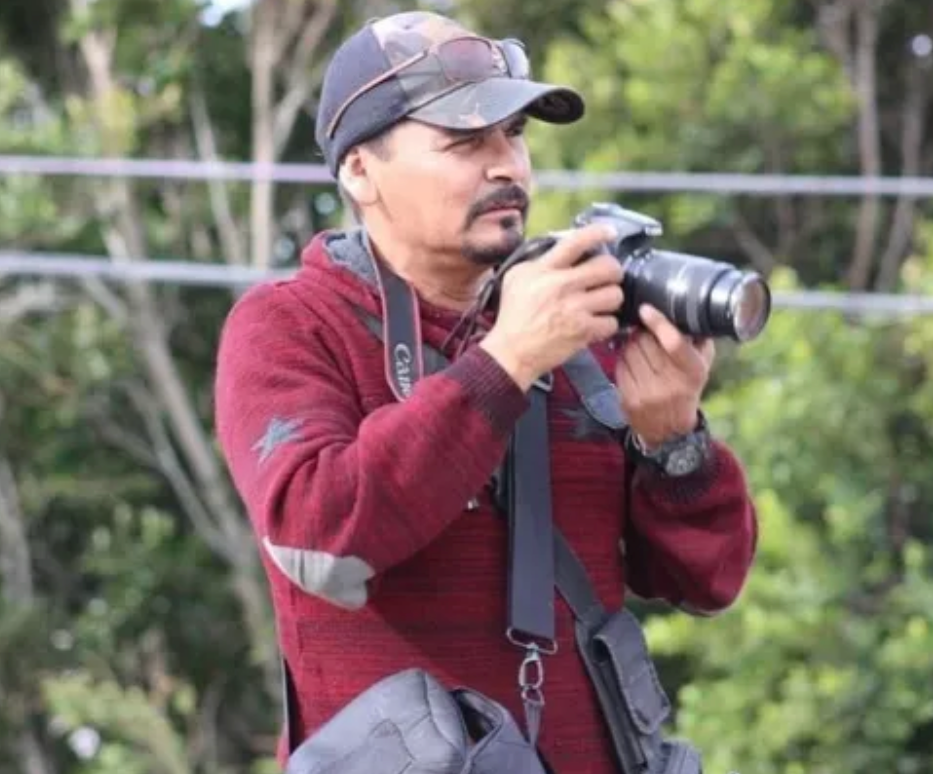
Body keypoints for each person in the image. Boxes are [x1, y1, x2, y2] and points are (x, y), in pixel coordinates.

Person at [213, 11, 760, 774]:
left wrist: (676, 444)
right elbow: (321, 537)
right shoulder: (288, 325)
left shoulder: (573, 324)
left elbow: (708, 579)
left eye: (516, 136)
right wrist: (505, 361)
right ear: (359, 171)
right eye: (465, 142)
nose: (507, 166)